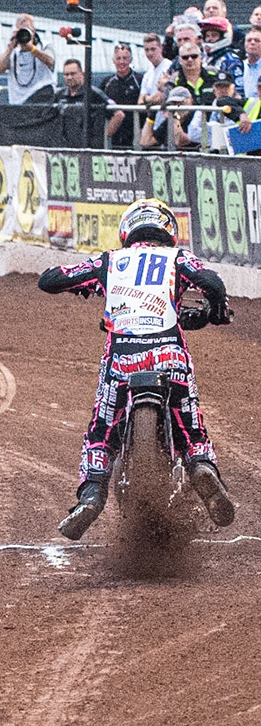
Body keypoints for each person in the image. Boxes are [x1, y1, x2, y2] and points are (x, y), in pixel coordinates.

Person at [38, 199, 236, 539]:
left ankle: (92, 494)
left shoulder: (109, 261)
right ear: (168, 230)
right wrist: (215, 312)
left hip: (122, 357)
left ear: (128, 230)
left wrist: (90, 283)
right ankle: (202, 466)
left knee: (102, 431)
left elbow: (50, 280)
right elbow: (213, 284)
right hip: (169, 356)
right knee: (191, 426)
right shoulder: (178, 258)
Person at [0, 14, 56, 105]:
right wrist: (10, 47)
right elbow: (0, 69)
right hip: (18, 102)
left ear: (33, 30)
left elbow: (50, 61)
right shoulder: (13, 52)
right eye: (21, 31)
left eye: (27, 30)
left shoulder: (44, 46)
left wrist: (32, 48)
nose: (24, 35)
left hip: (41, 97)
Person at [101, 43, 143, 150]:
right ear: (113, 60)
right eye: (118, 58)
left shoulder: (139, 80)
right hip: (114, 136)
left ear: (131, 60)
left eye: (125, 58)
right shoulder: (107, 82)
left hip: (136, 134)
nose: (122, 62)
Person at [141, 86, 198, 151]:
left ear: (191, 101)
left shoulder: (196, 117)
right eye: (174, 103)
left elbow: (179, 141)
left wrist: (176, 117)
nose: (177, 106)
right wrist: (151, 117)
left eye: (181, 102)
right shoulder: (170, 121)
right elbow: (145, 142)